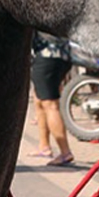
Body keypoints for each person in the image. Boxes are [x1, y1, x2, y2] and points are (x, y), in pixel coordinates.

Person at [30, 32, 75, 166]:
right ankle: (44, 146)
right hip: (63, 54)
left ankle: (65, 152)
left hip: (47, 56)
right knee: (38, 99)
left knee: (50, 105)